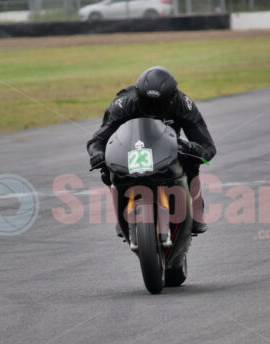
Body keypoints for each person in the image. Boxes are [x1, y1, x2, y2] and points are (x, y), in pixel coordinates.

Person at [86, 66, 217, 234]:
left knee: (192, 161)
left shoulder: (183, 104)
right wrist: (97, 154)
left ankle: (196, 212)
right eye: (148, 103)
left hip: (169, 149)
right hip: (130, 150)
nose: (153, 108)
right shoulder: (123, 103)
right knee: (106, 168)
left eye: (159, 104)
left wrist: (195, 150)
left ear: (171, 99)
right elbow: (97, 139)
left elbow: (208, 147)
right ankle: (121, 216)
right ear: (139, 94)